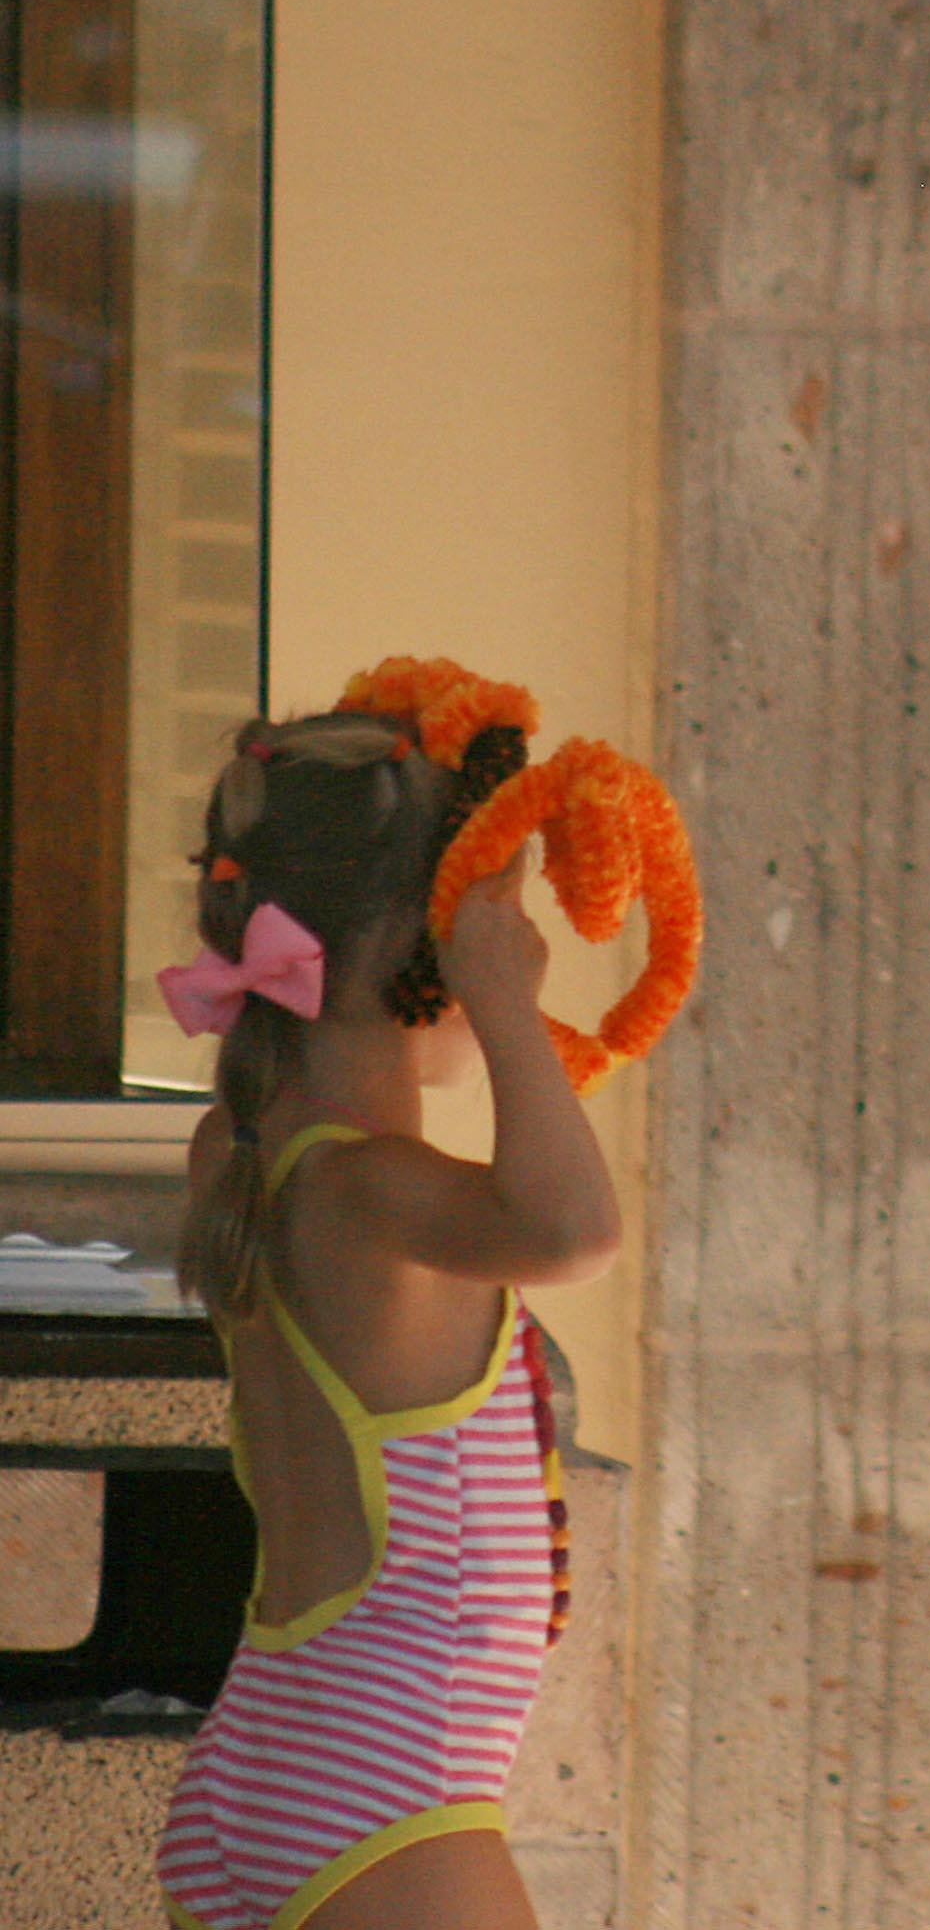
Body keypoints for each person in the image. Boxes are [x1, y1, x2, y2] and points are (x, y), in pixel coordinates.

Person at [154, 708, 621, 1930]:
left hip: (272, 1764)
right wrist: (505, 1009)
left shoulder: (239, 1153)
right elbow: (578, 1229)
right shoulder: (369, 1195)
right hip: (388, 1787)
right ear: (431, 948)